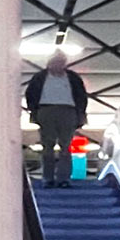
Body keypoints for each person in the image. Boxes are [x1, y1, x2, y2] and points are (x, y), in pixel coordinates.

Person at [25, 47, 88, 187]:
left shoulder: (72, 78)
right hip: (47, 110)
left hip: (67, 111)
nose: (58, 65)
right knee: (48, 146)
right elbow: (31, 95)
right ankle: (48, 178)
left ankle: (62, 178)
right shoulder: (41, 78)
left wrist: (80, 114)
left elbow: (81, 97)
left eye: (61, 62)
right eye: (56, 62)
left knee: (65, 146)